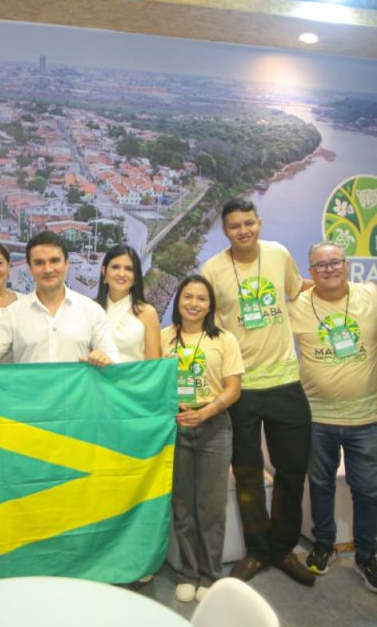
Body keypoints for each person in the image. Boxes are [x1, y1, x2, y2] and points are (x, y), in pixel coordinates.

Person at [198, 198, 314, 586]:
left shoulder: (279, 254)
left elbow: (301, 292)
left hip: (284, 381)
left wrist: (356, 291)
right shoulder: (212, 270)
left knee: (292, 470)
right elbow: (207, 326)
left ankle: (282, 547)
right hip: (241, 386)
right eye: (235, 226)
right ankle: (258, 549)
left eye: (249, 223)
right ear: (225, 230)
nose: (243, 231)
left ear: (259, 223)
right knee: (247, 473)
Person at [289, 241, 377, 599]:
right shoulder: (298, 305)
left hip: (365, 418)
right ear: (310, 272)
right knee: (320, 485)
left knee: (368, 491)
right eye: (321, 265)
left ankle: (367, 556)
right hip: (316, 418)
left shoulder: (373, 296)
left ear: (347, 265)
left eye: (335, 262)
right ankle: (324, 544)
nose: (329, 269)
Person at [162, 275, 244, 603]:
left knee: (211, 507)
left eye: (201, 298)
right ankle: (187, 572)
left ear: (210, 305)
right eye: (188, 297)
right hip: (176, 425)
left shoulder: (224, 339)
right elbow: (153, 379)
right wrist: (173, 403)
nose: (194, 303)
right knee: (182, 504)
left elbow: (233, 389)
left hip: (214, 428)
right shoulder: (165, 338)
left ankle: (211, 575)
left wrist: (206, 412)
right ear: (178, 301)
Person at [0, 231, 119, 369]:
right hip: (29, 401)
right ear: (30, 268)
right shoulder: (13, 313)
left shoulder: (91, 310)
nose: (48, 269)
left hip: (75, 402)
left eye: (54, 261)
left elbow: (114, 359)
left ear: (66, 264)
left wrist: (104, 359)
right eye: (39, 263)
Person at [95, 245, 161, 362]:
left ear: (136, 277)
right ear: (104, 272)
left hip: (134, 379)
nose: (121, 274)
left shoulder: (147, 313)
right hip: (94, 379)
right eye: (115, 267)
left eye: (129, 269)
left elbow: (153, 367)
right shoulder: (90, 309)